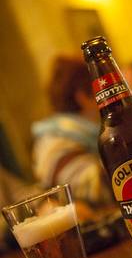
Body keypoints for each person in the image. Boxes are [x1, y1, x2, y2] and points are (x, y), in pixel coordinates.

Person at [31, 56, 114, 209]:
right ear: (84, 97)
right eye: (105, 88)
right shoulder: (55, 140)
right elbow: (100, 189)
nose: (112, 94)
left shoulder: (77, 132)